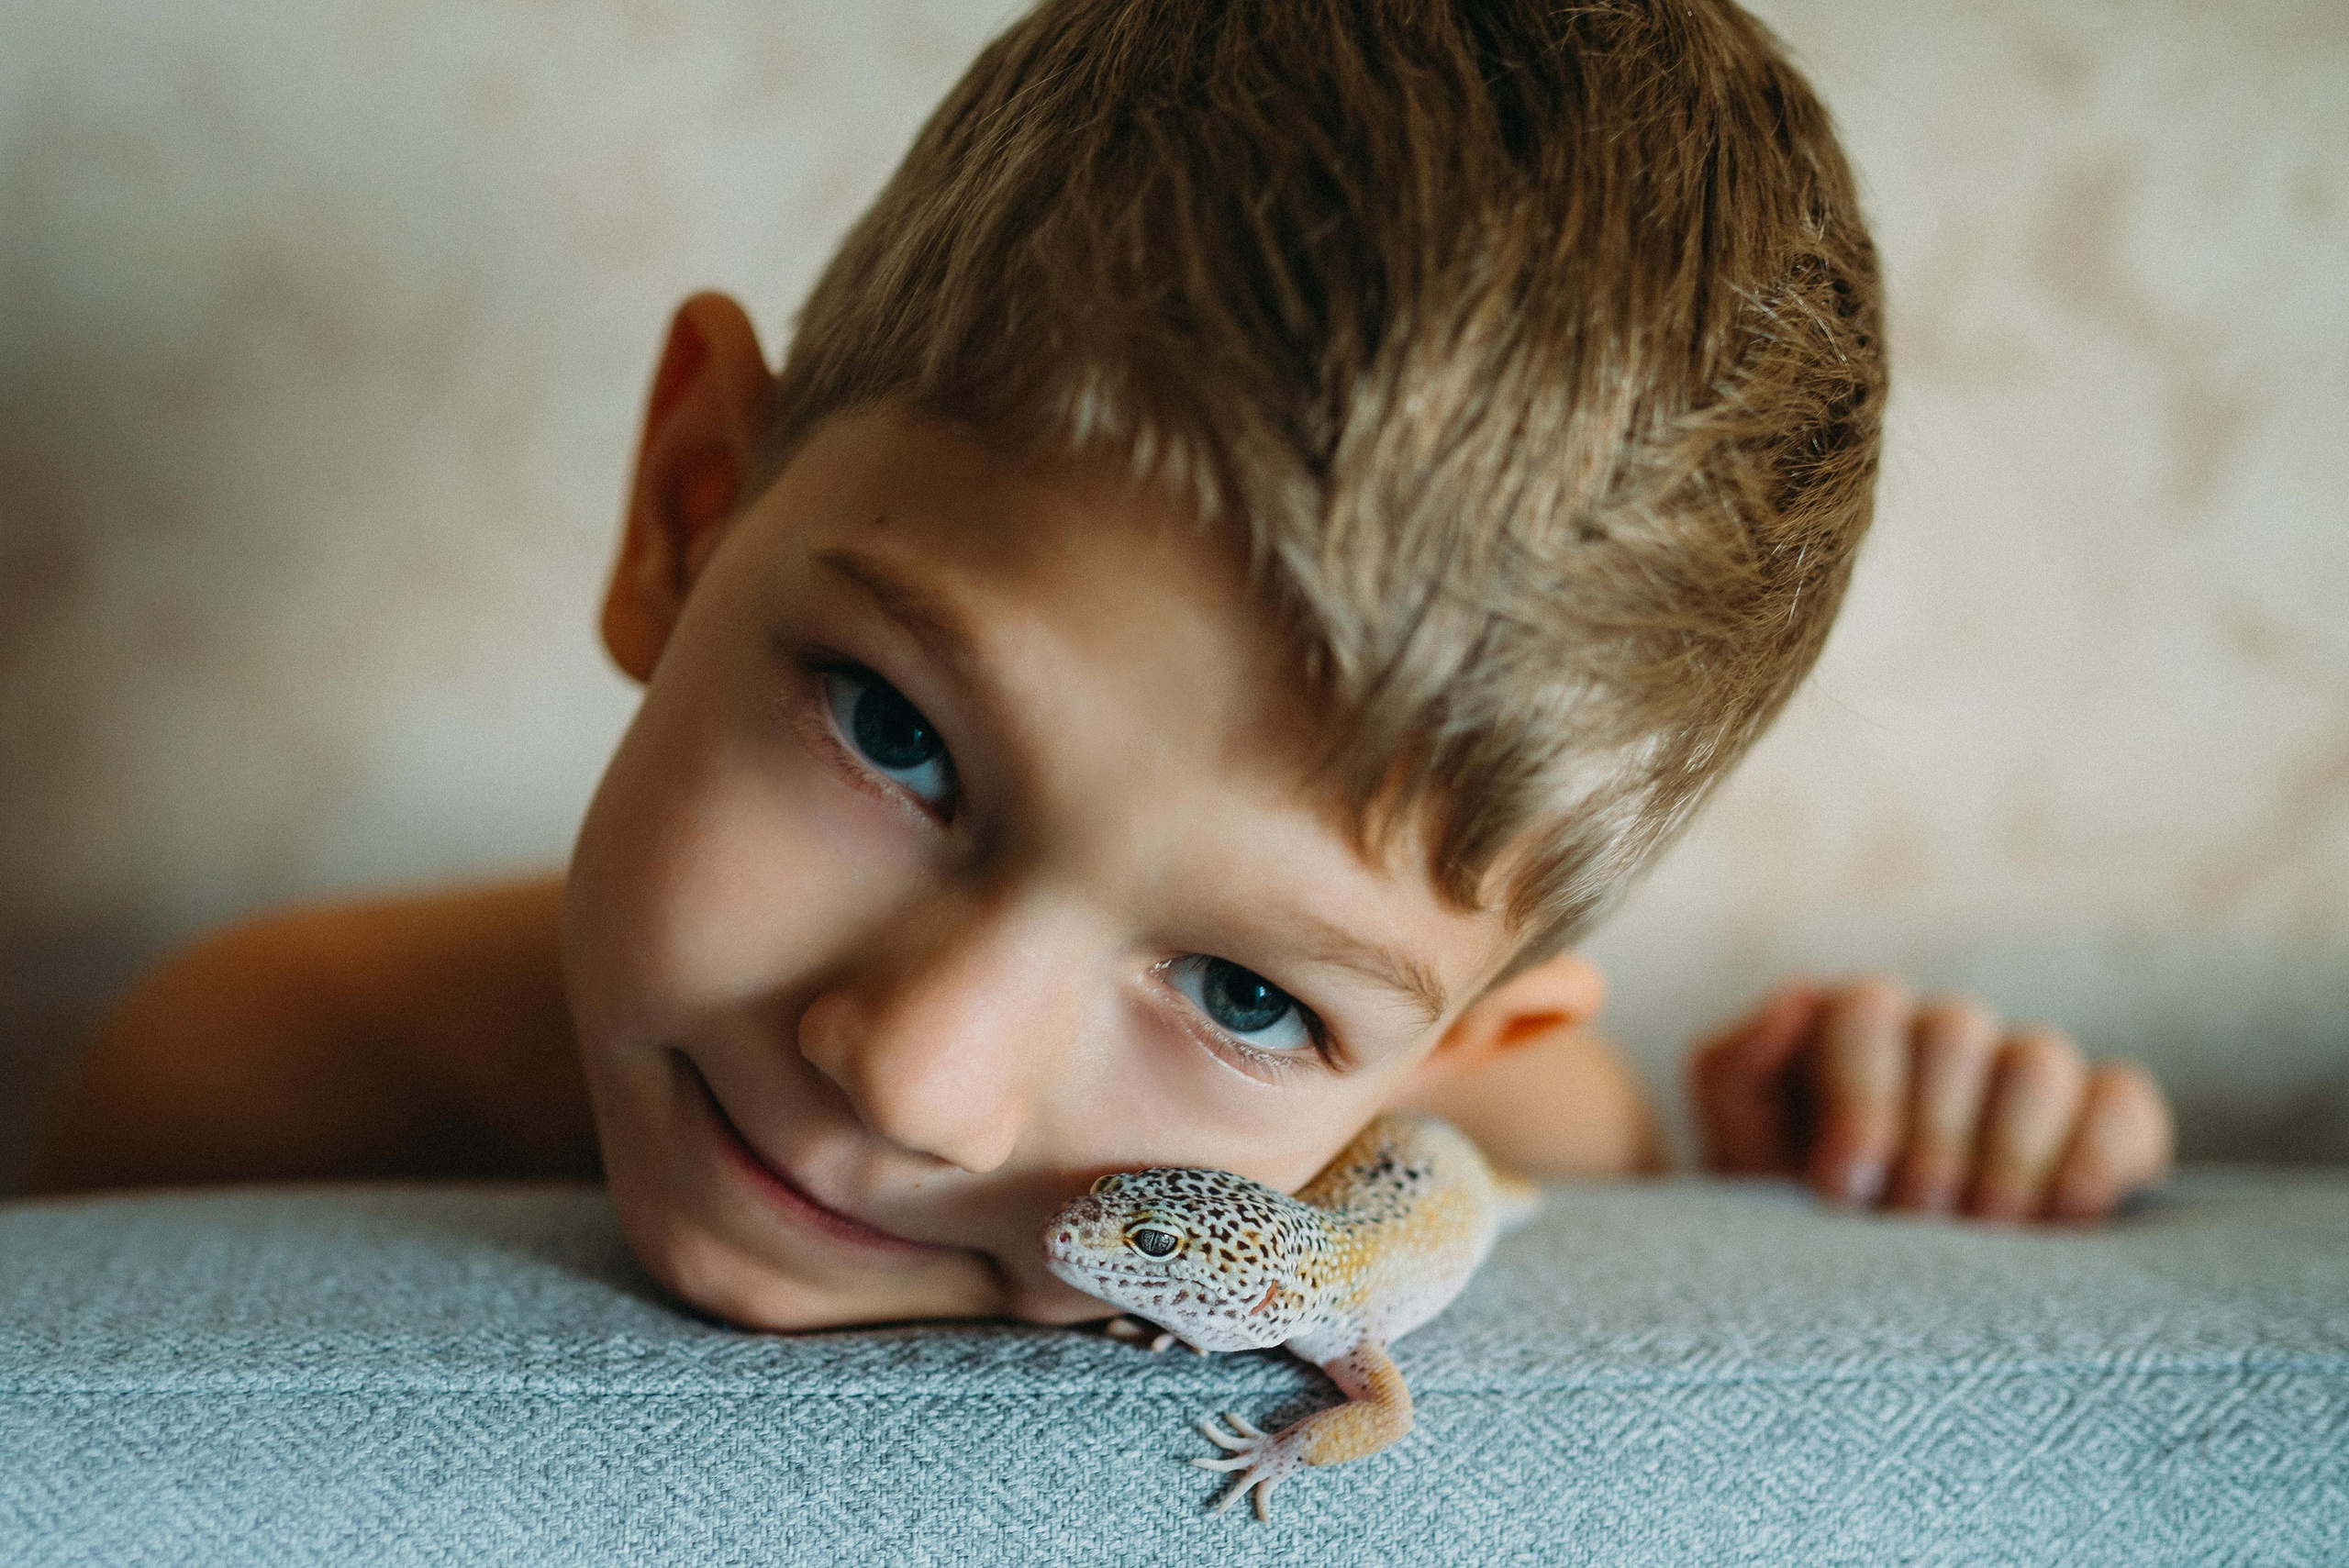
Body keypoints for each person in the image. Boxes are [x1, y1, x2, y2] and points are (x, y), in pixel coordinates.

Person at [25, 0, 2173, 1333]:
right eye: (893, 733)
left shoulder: (1535, 1130)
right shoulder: (232, 1088)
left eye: (1252, 999)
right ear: (689, 510)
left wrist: (1870, 1137)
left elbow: (1579, 1164)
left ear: (1443, 1054)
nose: (913, 1077)